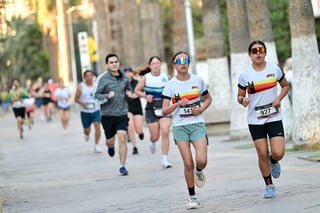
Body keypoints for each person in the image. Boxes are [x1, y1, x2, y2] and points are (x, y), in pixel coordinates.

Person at [237, 40, 289, 199]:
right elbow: (239, 96)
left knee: (278, 152)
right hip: (255, 120)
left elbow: (285, 86)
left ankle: (274, 161)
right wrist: (243, 100)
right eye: (254, 51)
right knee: (262, 153)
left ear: (265, 53)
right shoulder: (245, 75)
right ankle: (269, 185)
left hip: (274, 117)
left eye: (261, 50)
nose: (258, 53)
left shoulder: (275, 69)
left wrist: (279, 98)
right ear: (250, 55)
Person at [162, 51, 212, 209]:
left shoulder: (198, 80)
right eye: (179, 61)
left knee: (202, 160)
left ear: (189, 63)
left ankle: (199, 171)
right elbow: (164, 111)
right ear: (174, 65)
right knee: (188, 163)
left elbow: (208, 98)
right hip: (180, 127)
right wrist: (177, 104)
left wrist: (201, 109)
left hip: (197, 124)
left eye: (186, 60)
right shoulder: (170, 85)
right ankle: (192, 197)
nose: (183, 63)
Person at [94, 53, 134, 175]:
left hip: (122, 113)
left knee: (122, 137)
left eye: (116, 61)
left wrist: (129, 93)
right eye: (111, 62)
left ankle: (122, 165)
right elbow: (96, 96)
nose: (114, 64)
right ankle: (110, 146)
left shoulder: (125, 78)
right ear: (107, 64)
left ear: (119, 63)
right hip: (107, 115)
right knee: (110, 141)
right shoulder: (103, 78)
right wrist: (107, 96)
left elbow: (129, 89)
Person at [135, 56, 172, 168]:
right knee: (155, 136)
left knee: (165, 132)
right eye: (153, 63)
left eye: (158, 63)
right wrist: (146, 96)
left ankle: (165, 159)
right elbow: (137, 90)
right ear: (150, 65)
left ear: (160, 65)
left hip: (164, 106)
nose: (156, 65)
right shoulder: (146, 78)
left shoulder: (166, 77)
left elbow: (173, 90)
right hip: (151, 107)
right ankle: (152, 141)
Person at [74, 70, 102, 153]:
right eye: (87, 76)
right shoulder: (81, 87)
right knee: (87, 130)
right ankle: (86, 134)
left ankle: (96, 145)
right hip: (85, 112)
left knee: (98, 127)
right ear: (84, 77)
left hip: (96, 110)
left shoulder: (97, 85)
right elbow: (76, 99)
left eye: (91, 75)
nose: (89, 78)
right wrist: (82, 103)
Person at [123, 66, 144, 155]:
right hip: (127, 107)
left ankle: (140, 133)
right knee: (130, 126)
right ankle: (134, 147)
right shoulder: (122, 83)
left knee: (138, 129)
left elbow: (143, 92)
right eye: (126, 72)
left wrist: (137, 95)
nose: (128, 74)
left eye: (129, 72)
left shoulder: (137, 82)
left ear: (132, 73)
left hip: (137, 107)